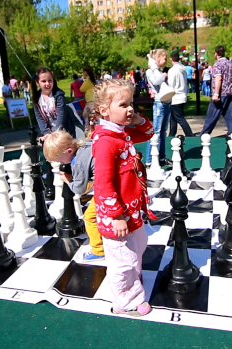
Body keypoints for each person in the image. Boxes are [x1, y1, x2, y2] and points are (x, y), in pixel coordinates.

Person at [89, 78, 155, 317]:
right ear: (105, 110)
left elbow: (149, 132)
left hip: (132, 210)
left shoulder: (122, 133)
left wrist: (137, 119)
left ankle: (132, 280)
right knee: (121, 260)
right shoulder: (107, 141)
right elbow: (103, 184)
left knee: (138, 247)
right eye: (124, 105)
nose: (130, 109)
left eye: (132, 104)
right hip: (117, 215)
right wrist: (116, 215)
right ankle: (125, 301)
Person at [42, 130, 103, 262]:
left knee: (90, 217)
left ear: (69, 151)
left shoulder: (78, 162)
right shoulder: (86, 146)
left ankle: (98, 250)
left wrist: (68, 180)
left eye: (59, 160)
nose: (61, 163)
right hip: (118, 180)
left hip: (107, 189)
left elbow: (79, 189)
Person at [199, 46, 232, 136]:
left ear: (216, 54)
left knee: (213, 114)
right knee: (231, 113)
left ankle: (204, 134)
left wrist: (216, 93)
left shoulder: (218, 64)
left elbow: (218, 78)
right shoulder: (230, 64)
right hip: (230, 92)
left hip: (221, 93)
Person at [32, 66, 77, 140]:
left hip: (65, 131)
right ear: (37, 83)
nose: (47, 84)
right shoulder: (37, 98)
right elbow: (39, 118)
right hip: (50, 133)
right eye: (43, 81)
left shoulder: (58, 95)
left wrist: (55, 133)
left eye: (50, 81)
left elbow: (61, 115)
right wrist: (46, 133)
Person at [144, 49, 172, 166]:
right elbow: (156, 81)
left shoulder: (159, 71)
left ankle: (161, 157)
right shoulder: (150, 71)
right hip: (159, 103)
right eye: (164, 58)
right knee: (156, 132)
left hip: (166, 103)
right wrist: (164, 76)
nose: (166, 61)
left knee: (163, 132)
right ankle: (149, 160)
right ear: (157, 58)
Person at [168, 50, 195, 137]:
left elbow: (171, 84)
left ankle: (189, 134)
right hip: (182, 94)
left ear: (171, 59)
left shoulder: (172, 70)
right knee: (173, 118)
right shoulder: (183, 69)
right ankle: (172, 134)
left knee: (179, 118)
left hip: (175, 97)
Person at [80, 65, 96, 133]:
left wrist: (84, 80)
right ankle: (91, 129)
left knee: (86, 114)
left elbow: (81, 89)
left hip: (90, 100)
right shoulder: (92, 78)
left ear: (86, 72)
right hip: (93, 99)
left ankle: (88, 129)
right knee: (91, 115)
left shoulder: (88, 80)